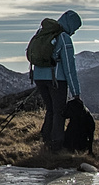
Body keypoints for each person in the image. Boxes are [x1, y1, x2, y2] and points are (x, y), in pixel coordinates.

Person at [28, 9, 81, 152]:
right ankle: (56, 144)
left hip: (39, 78)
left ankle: (46, 138)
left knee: (50, 109)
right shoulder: (63, 38)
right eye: (75, 28)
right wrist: (76, 93)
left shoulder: (42, 33)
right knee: (59, 111)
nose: (74, 32)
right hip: (56, 80)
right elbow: (69, 68)